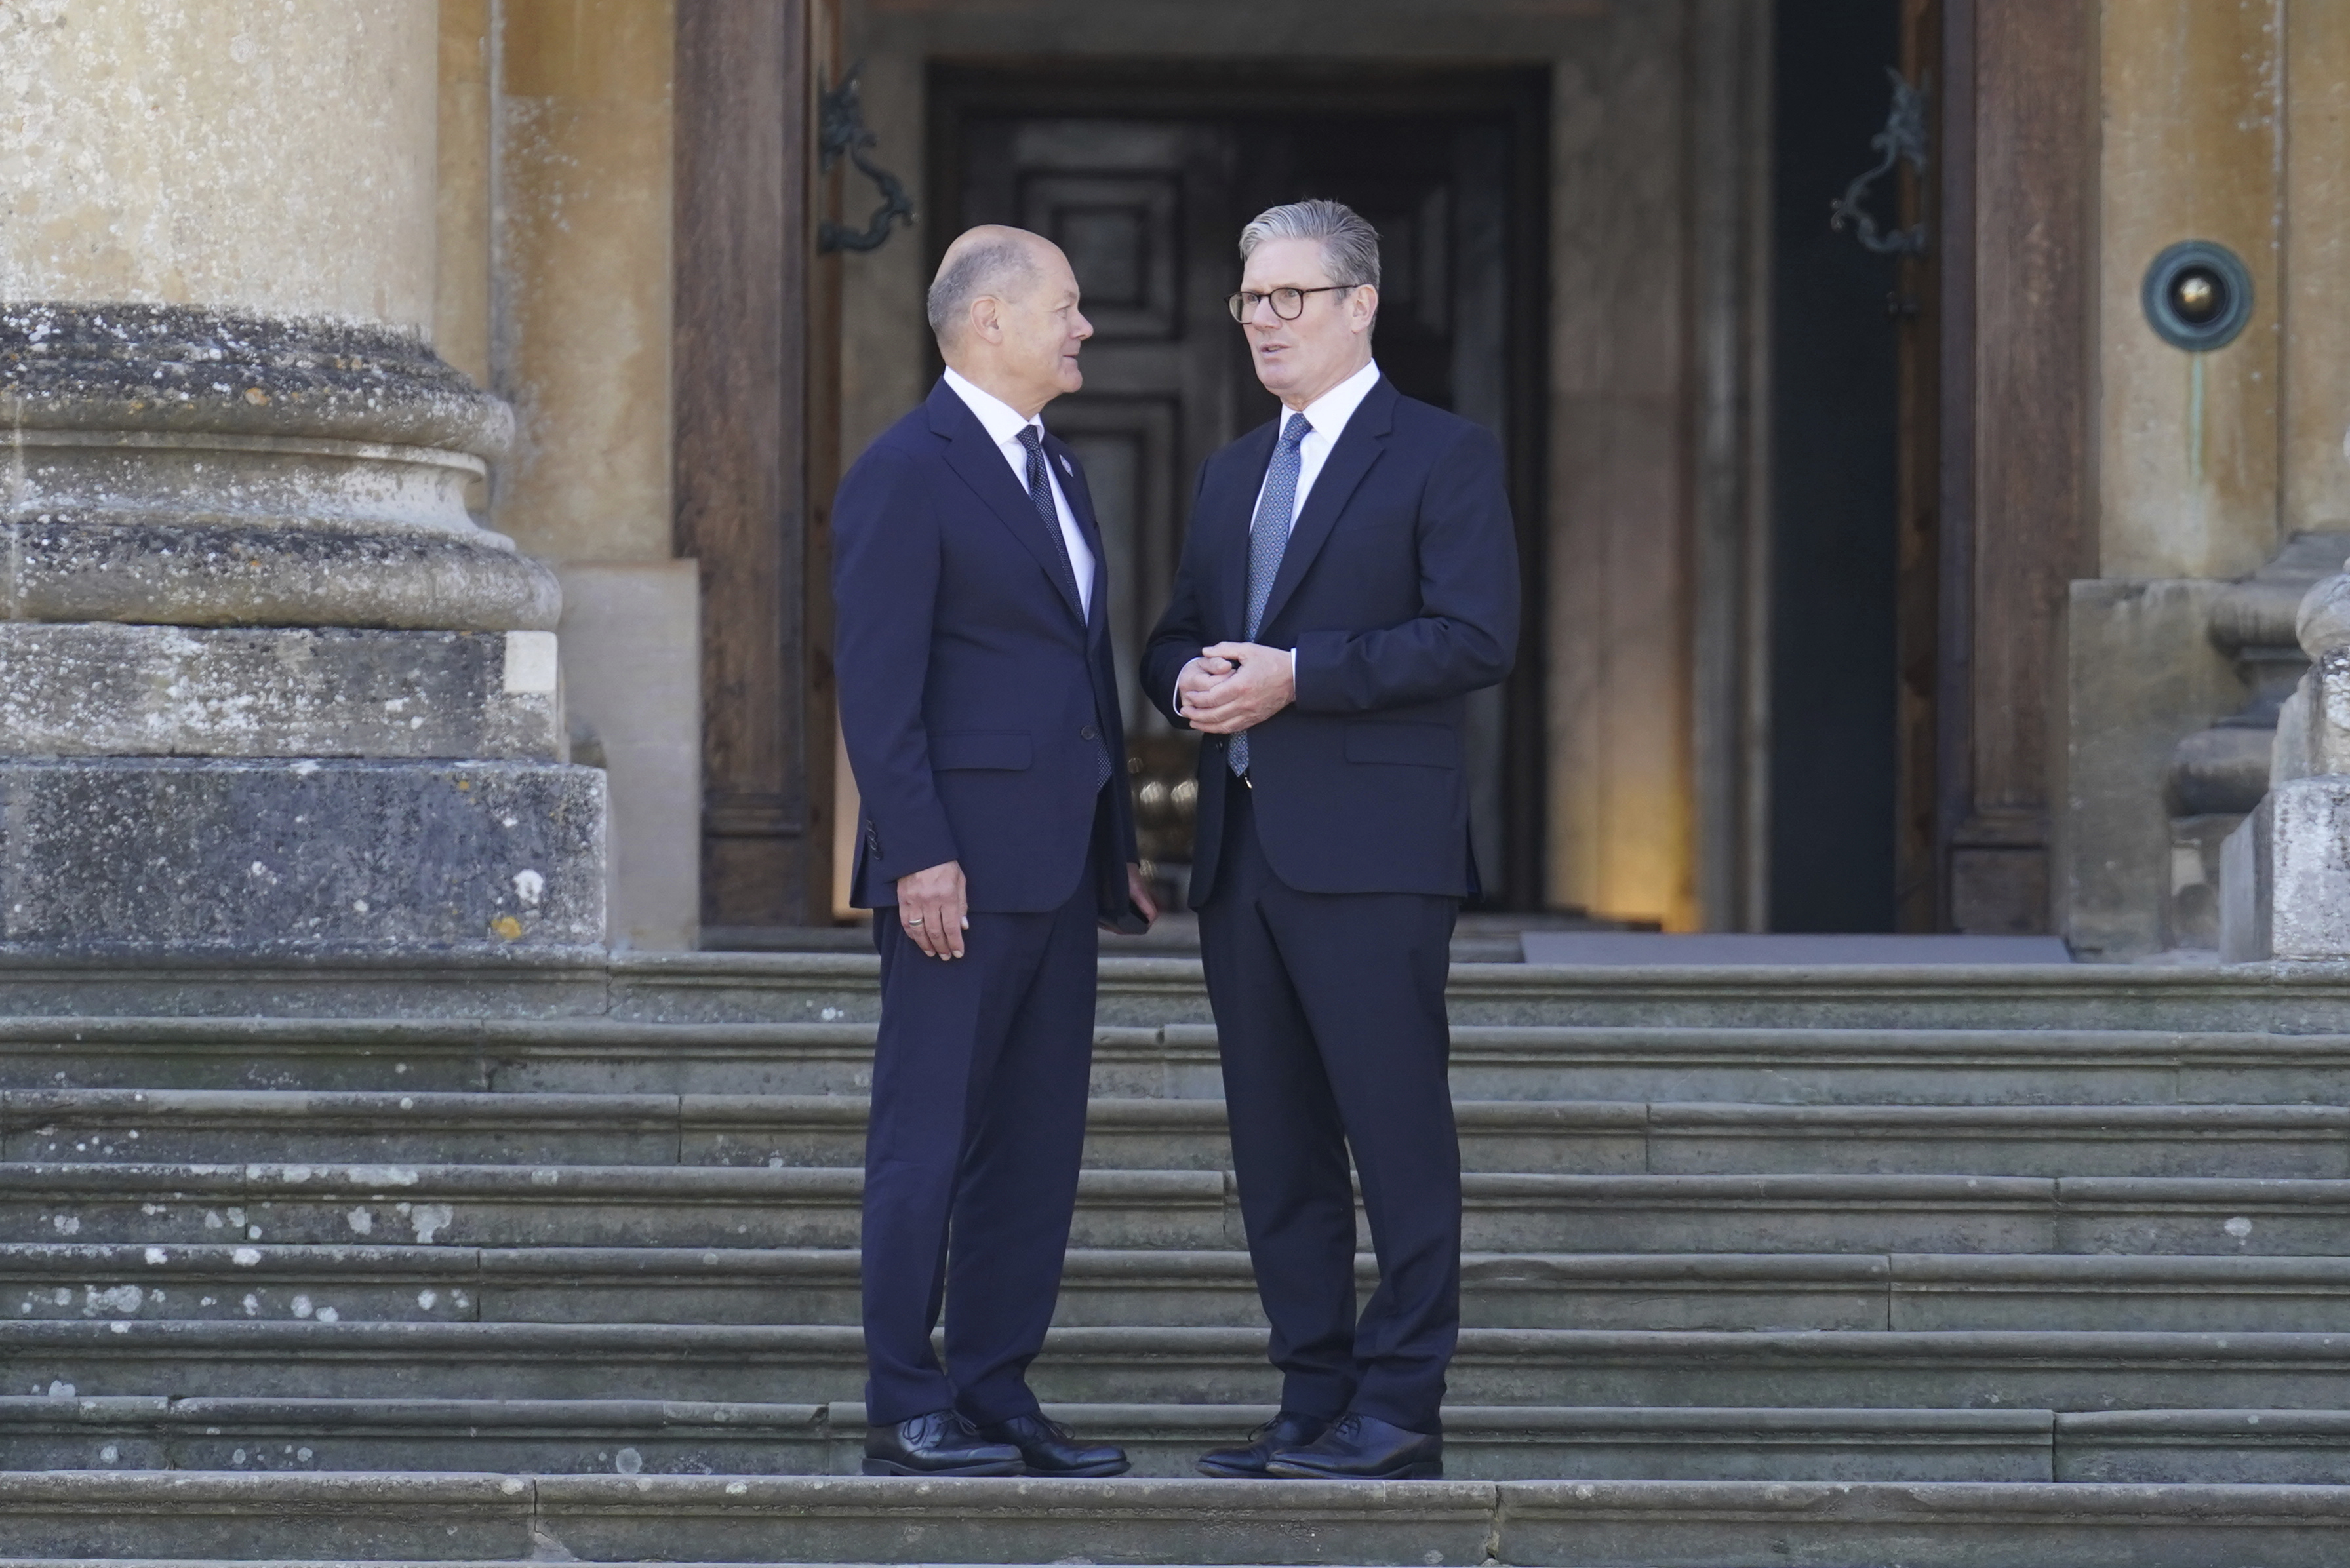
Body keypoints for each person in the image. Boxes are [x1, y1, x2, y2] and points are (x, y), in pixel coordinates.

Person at [1142, 199, 1519, 1482]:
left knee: (1395, 1137)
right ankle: (1311, 1399)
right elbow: (1174, 630)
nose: (1264, 321)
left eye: (1289, 297)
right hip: (1241, 855)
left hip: (1374, 856)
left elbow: (1475, 635)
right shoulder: (1230, 471)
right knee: (1278, 1148)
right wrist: (1188, 680)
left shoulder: (1443, 454)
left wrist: (1297, 675)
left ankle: (1399, 1405)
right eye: (1250, 299)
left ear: (1361, 304)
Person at [834, 224, 1157, 1479]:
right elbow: (879, 689)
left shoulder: (1056, 468)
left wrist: (1114, 847)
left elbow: (1074, 677)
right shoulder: (904, 470)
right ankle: (904, 1400)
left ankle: (995, 1388)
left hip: (1057, 868)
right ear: (990, 322)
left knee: (1033, 1145)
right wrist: (918, 854)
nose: (1085, 328)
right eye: (1067, 307)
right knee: (927, 1138)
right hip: (953, 876)